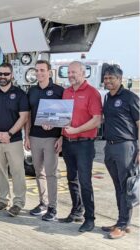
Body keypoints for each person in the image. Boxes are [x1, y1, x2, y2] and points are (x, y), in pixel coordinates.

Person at [0, 62, 29, 217]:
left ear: (12, 75)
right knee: (0, 172)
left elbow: (24, 117)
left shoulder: (20, 94)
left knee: (17, 171)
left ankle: (18, 203)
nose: (2, 77)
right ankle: (3, 200)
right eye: (0, 74)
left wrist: (9, 133)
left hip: (13, 140)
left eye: (6, 74)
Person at [60, 61, 102, 232]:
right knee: (71, 179)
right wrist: (56, 130)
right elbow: (63, 117)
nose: (70, 75)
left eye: (74, 72)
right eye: (69, 72)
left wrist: (76, 129)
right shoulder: (66, 92)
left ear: (83, 73)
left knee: (85, 182)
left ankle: (90, 218)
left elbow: (96, 120)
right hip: (67, 143)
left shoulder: (92, 93)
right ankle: (76, 211)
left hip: (84, 144)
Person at [101, 65, 139, 239]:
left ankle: (123, 225)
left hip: (126, 146)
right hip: (110, 146)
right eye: (106, 78)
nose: (108, 81)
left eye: (111, 78)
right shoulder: (107, 97)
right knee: (118, 187)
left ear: (120, 79)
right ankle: (121, 220)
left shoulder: (130, 97)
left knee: (126, 187)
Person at [24, 60, 64, 221]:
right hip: (34, 136)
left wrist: (61, 136)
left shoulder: (59, 91)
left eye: (42, 70)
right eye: (37, 70)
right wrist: (26, 136)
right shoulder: (31, 91)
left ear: (49, 72)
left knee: (51, 173)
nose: (39, 73)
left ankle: (53, 207)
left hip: (51, 138)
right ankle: (43, 203)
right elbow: (28, 115)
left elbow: (65, 114)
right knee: (38, 172)